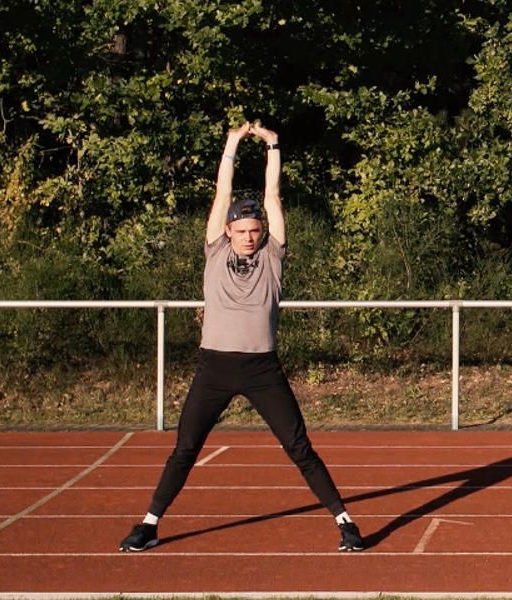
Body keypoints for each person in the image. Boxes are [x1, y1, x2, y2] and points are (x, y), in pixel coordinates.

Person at [118, 122, 365, 552]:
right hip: (213, 366)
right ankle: (149, 524)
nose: (249, 236)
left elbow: (273, 197)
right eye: (242, 230)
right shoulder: (215, 250)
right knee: (185, 448)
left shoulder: (272, 255)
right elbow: (220, 195)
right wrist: (232, 143)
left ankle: (345, 522)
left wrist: (272, 144)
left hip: (261, 369)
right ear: (228, 232)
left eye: (255, 230)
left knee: (298, 447)